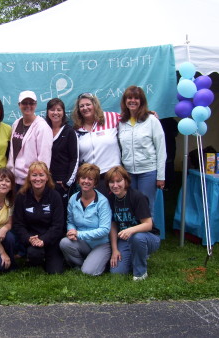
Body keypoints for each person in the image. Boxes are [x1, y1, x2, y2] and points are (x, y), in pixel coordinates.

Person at [105, 166, 160, 281]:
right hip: (124, 240)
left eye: (118, 181)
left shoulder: (137, 197)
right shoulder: (110, 198)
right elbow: (113, 224)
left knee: (137, 238)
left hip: (148, 237)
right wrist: (115, 250)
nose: (115, 185)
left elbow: (148, 224)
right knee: (117, 273)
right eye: (111, 182)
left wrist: (131, 230)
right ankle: (137, 256)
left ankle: (140, 273)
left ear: (126, 181)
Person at [118, 85, 166, 216]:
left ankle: (149, 235)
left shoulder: (152, 121)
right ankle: (133, 235)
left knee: (146, 206)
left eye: (136, 98)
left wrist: (161, 176)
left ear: (142, 101)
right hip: (129, 173)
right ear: (125, 101)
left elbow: (161, 149)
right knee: (131, 205)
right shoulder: (121, 122)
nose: (132, 101)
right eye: (129, 98)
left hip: (148, 172)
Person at [59, 163, 111, 276]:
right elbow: (70, 221)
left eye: (90, 179)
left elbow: (105, 230)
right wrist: (71, 231)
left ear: (95, 183)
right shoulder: (73, 199)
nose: (86, 181)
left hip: (100, 244)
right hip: (82, 243)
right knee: (64, 243)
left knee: (89, 272)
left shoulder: (102, 202)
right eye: (83, 178)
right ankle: (82, 264)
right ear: (78, 180)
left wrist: (78, 234)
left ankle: (94, 263)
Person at [13, 161, 65, 274]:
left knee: (55, 272)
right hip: (32, 240)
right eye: (34, 175)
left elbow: (58, 225)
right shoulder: (22, 196)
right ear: (29, 178)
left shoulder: (55, 196)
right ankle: (35, 258)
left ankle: (50, 258)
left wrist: (44, 240)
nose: (38, 179)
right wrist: (29, 238)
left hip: (51, 240)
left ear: (47, 177)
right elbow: (18, 224)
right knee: (34, 254)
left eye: (41, 175)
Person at [72, 93, 121, 197]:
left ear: (95, 105)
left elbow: (131, 118)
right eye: (81, 106)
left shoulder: (111, 117)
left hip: (112, 174)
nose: (85, 108)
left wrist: (148, 113)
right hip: (90, 178)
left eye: (88, 104)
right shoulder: (76, 129)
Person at [7, 90, 53, 190]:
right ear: (19, 105)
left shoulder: (42, 127)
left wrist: (38, 180)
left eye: (31, 103)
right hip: (13, 180)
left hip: (31, 182)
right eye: (24, 103)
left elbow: (44, 159)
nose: (28, 106)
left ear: (36, 105)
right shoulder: (16, 123)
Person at [45, 98, 79, 213]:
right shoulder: (43, 129)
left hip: (62, 182)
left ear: (63, 112)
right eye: (52, 109)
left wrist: (67, 182)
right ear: (47, 112)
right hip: (45, 181)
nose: (55, 113)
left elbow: (75, 158)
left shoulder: (69, 132)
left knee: (63, 213)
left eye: (59, 110)